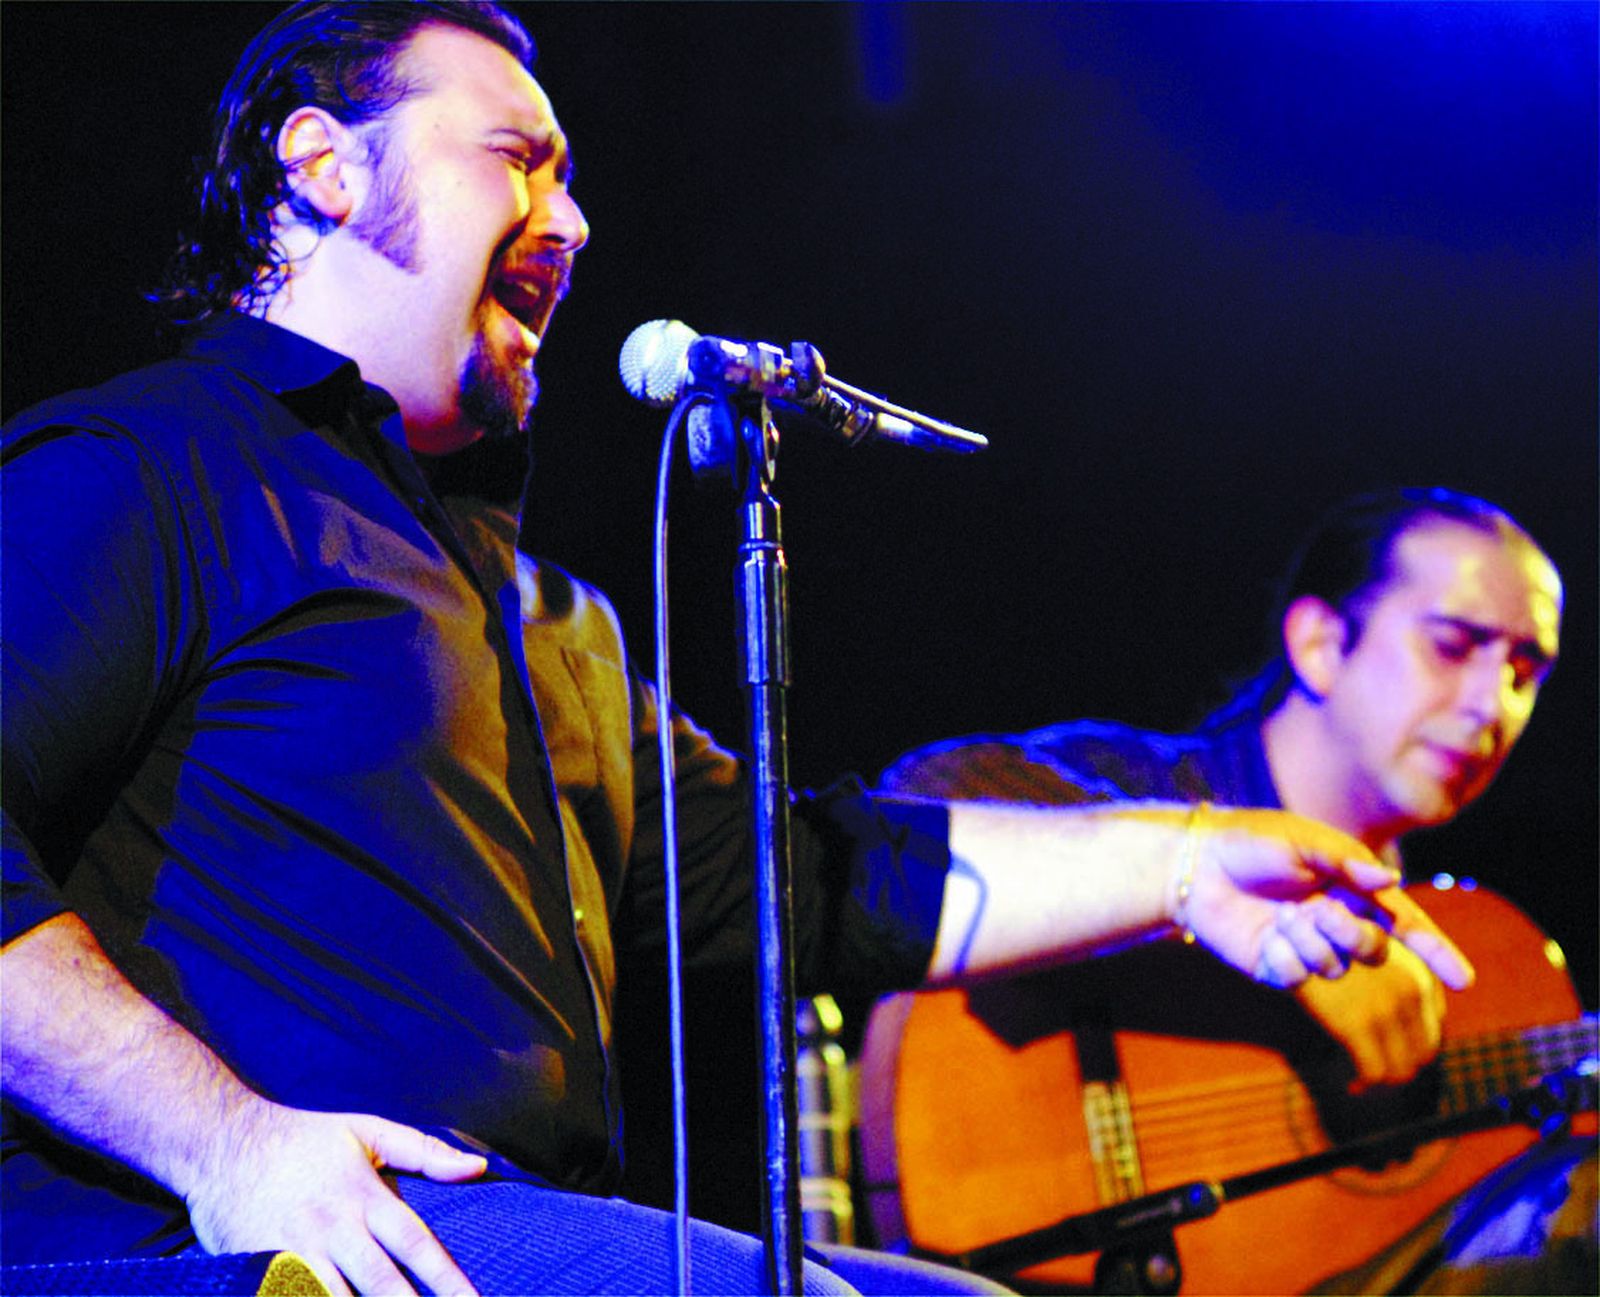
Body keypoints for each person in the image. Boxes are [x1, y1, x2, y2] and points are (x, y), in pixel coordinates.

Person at [0, 6, 1471, 1295]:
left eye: (571, 178)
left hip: (499, 1236)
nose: (571, 225)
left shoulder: (551, 624)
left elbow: (808, 882)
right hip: (217, 1247)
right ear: (323, 165)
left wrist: (1188, 860)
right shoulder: (146, 468)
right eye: (518, 159)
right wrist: (228, 1142)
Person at [879, 487, 1594, 1293]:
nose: (1490, 704)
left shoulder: (1456, 929)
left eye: (1525, 671)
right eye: (1453, 645)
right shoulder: (1155, 784)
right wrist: (1237, 896)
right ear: (1322, 643)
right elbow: (916, 809)